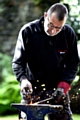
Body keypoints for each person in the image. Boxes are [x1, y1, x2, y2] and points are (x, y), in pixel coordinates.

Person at [12, 3, 79, 120]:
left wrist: (64, 85)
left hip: (58, 89)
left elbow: (73, 64)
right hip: (31, 88)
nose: (53, 31)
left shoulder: (68, 34)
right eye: (51, 25)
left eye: (58, 28)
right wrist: (23, 79)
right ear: (45, 16)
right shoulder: (28, 32)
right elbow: (18, 63)